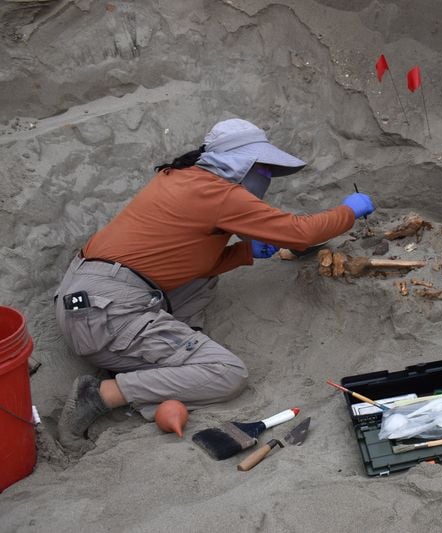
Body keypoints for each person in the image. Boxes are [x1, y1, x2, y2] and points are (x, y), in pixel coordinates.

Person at [55, 118, 374, 452]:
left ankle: (164, 363)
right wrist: (348, 211)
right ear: (241, 163)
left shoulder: (183, 178)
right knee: (227, 374)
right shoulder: (216, 192)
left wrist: (244, 252)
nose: (264, 179)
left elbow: (187, 262)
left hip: (92, 300)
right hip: (106, 314)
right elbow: (301, 233)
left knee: (203, 281)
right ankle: (102, 394)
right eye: (262, 170)